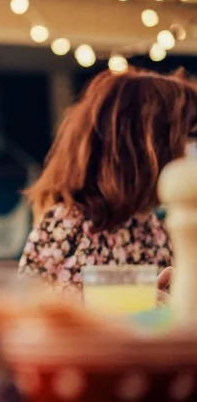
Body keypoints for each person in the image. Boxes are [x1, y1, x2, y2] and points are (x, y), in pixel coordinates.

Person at [18, 68, 197, 294]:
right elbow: (37, 319)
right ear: (145, 147)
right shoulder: (68, 228)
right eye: (189, 135)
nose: (190, 149)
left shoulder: (151, 226)